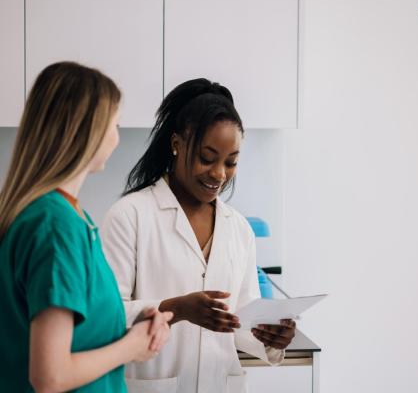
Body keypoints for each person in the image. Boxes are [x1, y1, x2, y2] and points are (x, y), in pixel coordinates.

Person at [101, 78, 296, 393]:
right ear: (178, 144)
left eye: (231, 162)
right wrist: (176, 309)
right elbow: (106, 314)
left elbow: (240, 320)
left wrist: (269, 335)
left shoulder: (238, 229)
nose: (219, 173)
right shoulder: (130, 216)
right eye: (208, 157)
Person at [0, 62, 173, 392]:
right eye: (115, 124)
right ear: (87, 130)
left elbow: (66, 330)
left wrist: (130, 326)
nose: (117, 136)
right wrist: (131, 348)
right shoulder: (56, 226)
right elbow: (50, 376)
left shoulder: (59, 216)